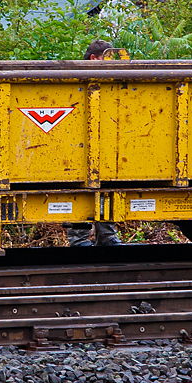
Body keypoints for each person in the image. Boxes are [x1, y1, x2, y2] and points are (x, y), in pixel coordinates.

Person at [67, 40, 123, 247]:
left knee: (107, 186)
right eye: (106, 59)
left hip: (105, 144)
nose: (112, 64)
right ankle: (80, 238)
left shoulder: (109, 81)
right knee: (78, 190)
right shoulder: (76, 80)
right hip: (79, 147)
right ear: (93, 58)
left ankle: (106, 236)